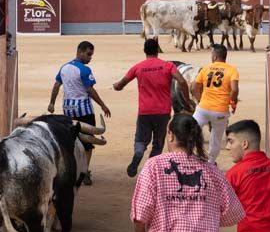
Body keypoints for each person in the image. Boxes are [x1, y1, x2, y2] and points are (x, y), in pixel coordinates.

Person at [113, 38, 193, 177]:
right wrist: (187, 99)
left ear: (145, 51)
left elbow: (120, 85)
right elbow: (181, 81)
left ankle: (138, 153)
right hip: (163, 111)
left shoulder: (138, 67)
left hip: (145, 111)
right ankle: (149, 168)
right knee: (158, 143)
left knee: (141, 139)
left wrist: (116, 86)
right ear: (157, 50)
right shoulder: (167, 66)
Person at [48, 41, 112, 185]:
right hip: (84, 111)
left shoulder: (64, 68)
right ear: (80, 52)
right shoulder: (84, 70)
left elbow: (56, 86)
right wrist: (103, 105)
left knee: (71, 141)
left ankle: (71, 170)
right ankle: (84, 172)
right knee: (88, 142)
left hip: (68, 110)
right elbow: (90, 90)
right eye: (89, 54)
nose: (90, 58)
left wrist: (51, 103)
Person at [191, 44, 239, 163]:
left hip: (203, 109)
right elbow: (235, 90)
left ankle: (187, 157)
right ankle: (211, 162)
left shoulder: (206, 68)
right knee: (216, 138)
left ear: (215, 56)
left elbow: (193, 88)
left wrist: (200, 100)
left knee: (190, 131)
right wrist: (233, 103)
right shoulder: (232, 70)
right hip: (220, 111)